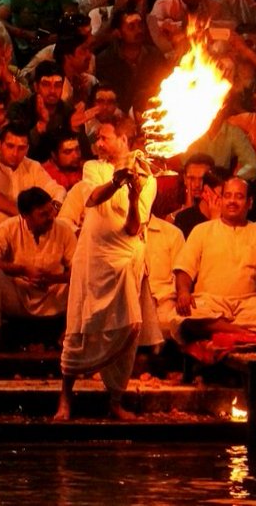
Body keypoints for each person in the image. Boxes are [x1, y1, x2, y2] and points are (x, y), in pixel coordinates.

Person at [57, 119, 158, 421]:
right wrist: (117, 181)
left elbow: (133, 228)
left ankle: (115, 401)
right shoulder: (93, 168)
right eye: (98, 138)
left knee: (130, 326)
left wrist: (133, 193)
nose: (98, 144)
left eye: (104, 138)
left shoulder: (148, 180)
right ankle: (65, 400)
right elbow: (92, 199)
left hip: (125, 259)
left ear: (124, 139)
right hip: (93, 257)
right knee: (80, 326)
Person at [172, 176, 256, 342]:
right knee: (189, 316)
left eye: (239, 197)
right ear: (221, 200)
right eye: (228, 196)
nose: (232, 201)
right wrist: (184, 292)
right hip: (211, 302)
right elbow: (184, 268)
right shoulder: (202, 230)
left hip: (248, 303)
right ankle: (246, 335)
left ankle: (229, 330)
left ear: (249, 202)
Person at [0, 186, 76, 352]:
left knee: (84, 279)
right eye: (43, 214)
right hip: (20, 293)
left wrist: (52, 278)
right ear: (25, 216)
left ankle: (68, 336)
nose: (51, 217)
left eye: (51, 211)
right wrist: (23, 270)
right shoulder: (9, 227)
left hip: (53, 293)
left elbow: (78, 269)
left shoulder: (63, 229)